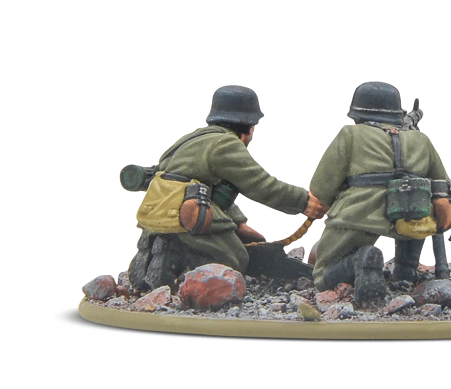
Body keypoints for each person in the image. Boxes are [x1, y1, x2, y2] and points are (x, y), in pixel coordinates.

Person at [127, 85, 326, 291]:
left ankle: (158, 245)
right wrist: (304, 202)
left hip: (156, 214)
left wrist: (238, 224)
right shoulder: (226, 144)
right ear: (250, 127)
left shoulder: (188, 140)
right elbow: (261, 184)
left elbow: (215, 191)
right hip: (189, 219)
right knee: (236, 259)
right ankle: (181, 257)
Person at [308, 82, 451, 306]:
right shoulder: (421, 139)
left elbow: (321, 188)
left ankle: (360, 260)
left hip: (359, 215)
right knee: (419, 204)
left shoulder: (350, 134)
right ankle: (405, 270)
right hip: (412, 218)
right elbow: (442, 186)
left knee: (322, 275)